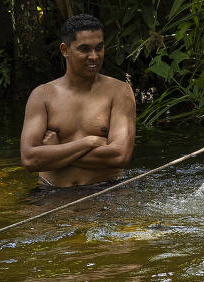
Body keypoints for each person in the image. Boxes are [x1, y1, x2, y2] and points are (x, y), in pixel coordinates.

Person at [20, 14, 138, 190]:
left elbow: (120, 156)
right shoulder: (42, 95)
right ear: (64, 50)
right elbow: (30, 159)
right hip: (51, 193)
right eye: (84, 49)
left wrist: (56, 151)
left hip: (107, 191)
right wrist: (89, 142)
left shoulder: (120, 92)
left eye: (99, 48)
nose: (94, 56)